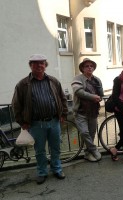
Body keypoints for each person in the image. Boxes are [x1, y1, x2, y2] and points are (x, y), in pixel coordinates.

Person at [12, 54, 68, 184]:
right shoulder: (23, 84)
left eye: (41, 63)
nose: (39, 66)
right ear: (30, 66)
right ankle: (42, 172)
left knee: (56, 148)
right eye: (35, 63)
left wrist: (64, 114)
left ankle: (57, 169)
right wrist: (22, 122)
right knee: (39, 150)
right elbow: (16, 105)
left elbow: (62, 98)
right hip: (36, 124)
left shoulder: (53, 81)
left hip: (54, 121)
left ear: (45, 65)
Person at [71, 58, 104, 162]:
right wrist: (93, 97)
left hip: (93, 112)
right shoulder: (78, 78)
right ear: (82, 68)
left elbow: (101, 94)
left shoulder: (97, 80)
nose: (89, 67)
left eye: (91, 66)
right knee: (85, 133)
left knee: (91, 134)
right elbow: (79, 92)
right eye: (87, 66)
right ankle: (94, 150)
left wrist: (99, 97)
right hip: (81, 112)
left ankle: (87, 153)